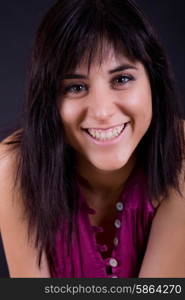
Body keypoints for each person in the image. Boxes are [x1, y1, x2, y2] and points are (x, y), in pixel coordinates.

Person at [0, 0, 185, 278]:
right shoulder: (11, 167)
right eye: (75, 87)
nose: (101, 112)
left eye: (121, 79)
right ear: (50, 99)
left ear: (153, 81)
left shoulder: (181, 155)